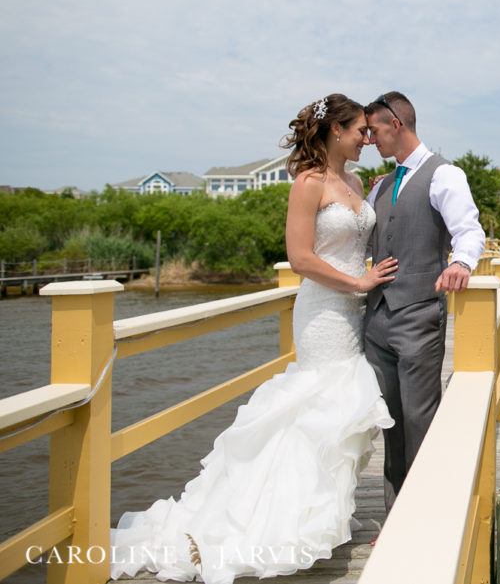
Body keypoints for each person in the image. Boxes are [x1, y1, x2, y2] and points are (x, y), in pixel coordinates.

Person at [110, 95, 397, 584]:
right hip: (325, 312)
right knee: (316, 411)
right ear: (335, 131)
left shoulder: (356, 182)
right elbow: (301, 258)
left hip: (356, 313)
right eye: (358, 132)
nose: (366, 139)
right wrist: (358, 283)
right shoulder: (307, 184)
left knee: (341, 416)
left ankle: (319, 517)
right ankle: (275, 520)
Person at [362, 91, 485, 511]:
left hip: (418, 314)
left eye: (373, 130)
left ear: (395, 123)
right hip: (375, 320)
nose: (368, 140)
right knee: (390, 422)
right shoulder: (380, 186)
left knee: (420, 418)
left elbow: (469, 230)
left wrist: (462, 263)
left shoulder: (444, 175)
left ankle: (428, 509)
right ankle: (397, 511)